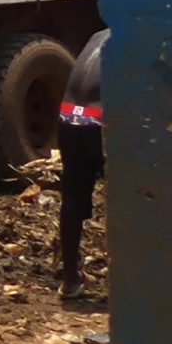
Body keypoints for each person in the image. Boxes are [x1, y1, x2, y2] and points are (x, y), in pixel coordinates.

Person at [58, 28, 109, 299]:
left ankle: (69, 279)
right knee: (136, 198)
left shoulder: (98, 36)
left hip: (70, 117)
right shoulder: (147, 37)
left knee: (73, 200)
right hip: (101, 121)